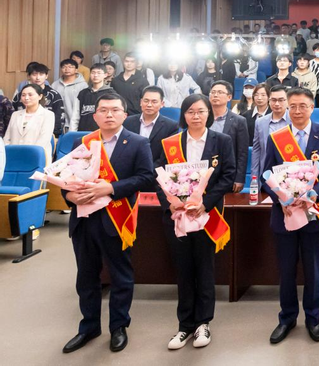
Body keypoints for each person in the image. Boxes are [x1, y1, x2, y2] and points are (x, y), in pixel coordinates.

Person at [61, 93, 155, 354]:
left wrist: (110, 188)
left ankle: (118, 327)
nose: (109, 114)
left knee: (120, 276)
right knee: (86, 277)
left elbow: (146, 177)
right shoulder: (83, 142)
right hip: (84, 219)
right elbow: (66, 177)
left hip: (117, 218)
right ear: (95, 116)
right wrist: (68, 196)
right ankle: (89, 327)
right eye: (103, 110)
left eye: (115, 110)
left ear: (125, 114)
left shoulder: (137, 142)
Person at [261, 88, 319, 344]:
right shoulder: (277, 138)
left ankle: (313, 318)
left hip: (314, 213)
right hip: (284, 214)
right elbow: (266, 175)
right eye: (293, 106)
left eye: (302, 106)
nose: (297, 111)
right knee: (286, 271)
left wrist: (316, 193)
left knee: (313, 270)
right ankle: (286, 318)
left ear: (312, 108)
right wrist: (281, 199)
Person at [155, 94, 236, 350]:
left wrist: (205, 203)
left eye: (201, 111)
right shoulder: (171, 143)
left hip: (206, 215)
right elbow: (158, 176)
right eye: (190, 111)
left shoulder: (221, 141)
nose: (196, 116)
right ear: (184, 115)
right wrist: (169, 203)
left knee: (205, 268)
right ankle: (184, 326)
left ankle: (203, 323)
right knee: (183, 269)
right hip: (178, 216)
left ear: (208, 114)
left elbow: (228, 176)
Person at [208, 81, 249, 193]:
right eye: (213, 92)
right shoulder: (202, 118)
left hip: (227, 174)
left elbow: (242, 152)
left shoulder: (239, 121)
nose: (215, 95)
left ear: (229, 97)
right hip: (204, 173)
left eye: (220, 92)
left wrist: (239, 178)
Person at [122, 86, 179, 163]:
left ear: (162, 104)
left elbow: (165, 157)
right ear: (141, 102)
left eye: (154, 102)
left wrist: (148, 169)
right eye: (146, 101)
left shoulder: (171, 126)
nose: (149, 105)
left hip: (155, 169)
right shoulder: (127, 122)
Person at [4, 83, 56, 162]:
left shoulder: (48, 115)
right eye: (23, 95)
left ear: (40, 96)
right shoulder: (15, 114)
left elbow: (43, 140)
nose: (26, 98)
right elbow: (7, 138)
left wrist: (28, 155)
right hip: (13, 157)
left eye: (30, 95)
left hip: (36, 157)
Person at [12, 62, 65, 137]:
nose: (38, 78)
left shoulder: (54, 95)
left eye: (41, 74)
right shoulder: (20, 95)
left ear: (46, 76)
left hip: (48, 134)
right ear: (28, 76)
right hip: (21, 134)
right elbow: (13, 114)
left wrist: (55, 134)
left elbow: (59, 115)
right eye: (34, 74)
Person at [251, 86, 290, 183]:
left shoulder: (295, 120)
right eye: (273, 100)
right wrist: (254, 176)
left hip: (291, 173)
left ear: (288, 101)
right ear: (269, 101)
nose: (277, 104)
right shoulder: (260, 122)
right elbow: (256, 150)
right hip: (267, 173)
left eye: (281, 100)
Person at [71, 64, 114, 132]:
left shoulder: (111, 94)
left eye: (99, 73)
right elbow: (75, 116)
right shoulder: (82, 93)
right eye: (93, 73)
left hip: (103, 133)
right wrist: (72, 133)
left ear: (105, 75)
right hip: (83, 133)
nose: (95, 75)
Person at [53, 58, 88, 132]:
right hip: (58, 123)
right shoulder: (55, 84)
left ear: (76, 70)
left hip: (75, 124)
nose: (67, 69)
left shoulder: (83, 85)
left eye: (70, 67)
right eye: (64, 67)